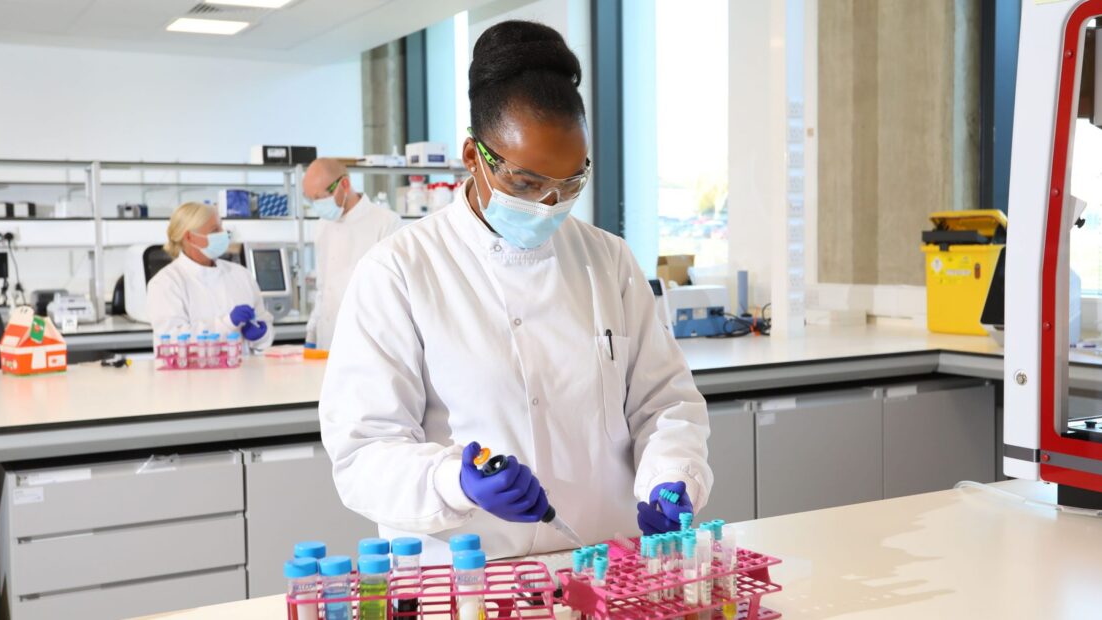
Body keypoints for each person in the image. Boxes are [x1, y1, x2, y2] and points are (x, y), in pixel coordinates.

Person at [319, 21, 712, 562]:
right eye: (526, 183)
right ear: (473, 155)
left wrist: (672, 474)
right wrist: (452, 482)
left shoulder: (607, 259)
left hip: (602, 569)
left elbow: (663, 403)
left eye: (571, 183)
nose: (549, 203)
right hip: (469, 580)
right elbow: (362, 451)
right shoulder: (400, 271)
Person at [302, 158, 402, 350]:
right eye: (310, 200)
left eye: (319, 198)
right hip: (326, 341)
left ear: (344, 184)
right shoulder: (323, 226)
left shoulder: (386, 222)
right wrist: (312, 333)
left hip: (366, 342)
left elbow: (391, 295)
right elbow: (323, 288)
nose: (316, 205)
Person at [147, 202, 273, 350]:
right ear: (190, 237)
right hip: (190, 373)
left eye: (221, 227)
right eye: (215, 230)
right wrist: (227, 324)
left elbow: (264, 323)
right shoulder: (166, 283)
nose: (224, 234)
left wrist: (262, 335)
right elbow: (173, 341)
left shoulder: (241, 275)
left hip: (242, 371)